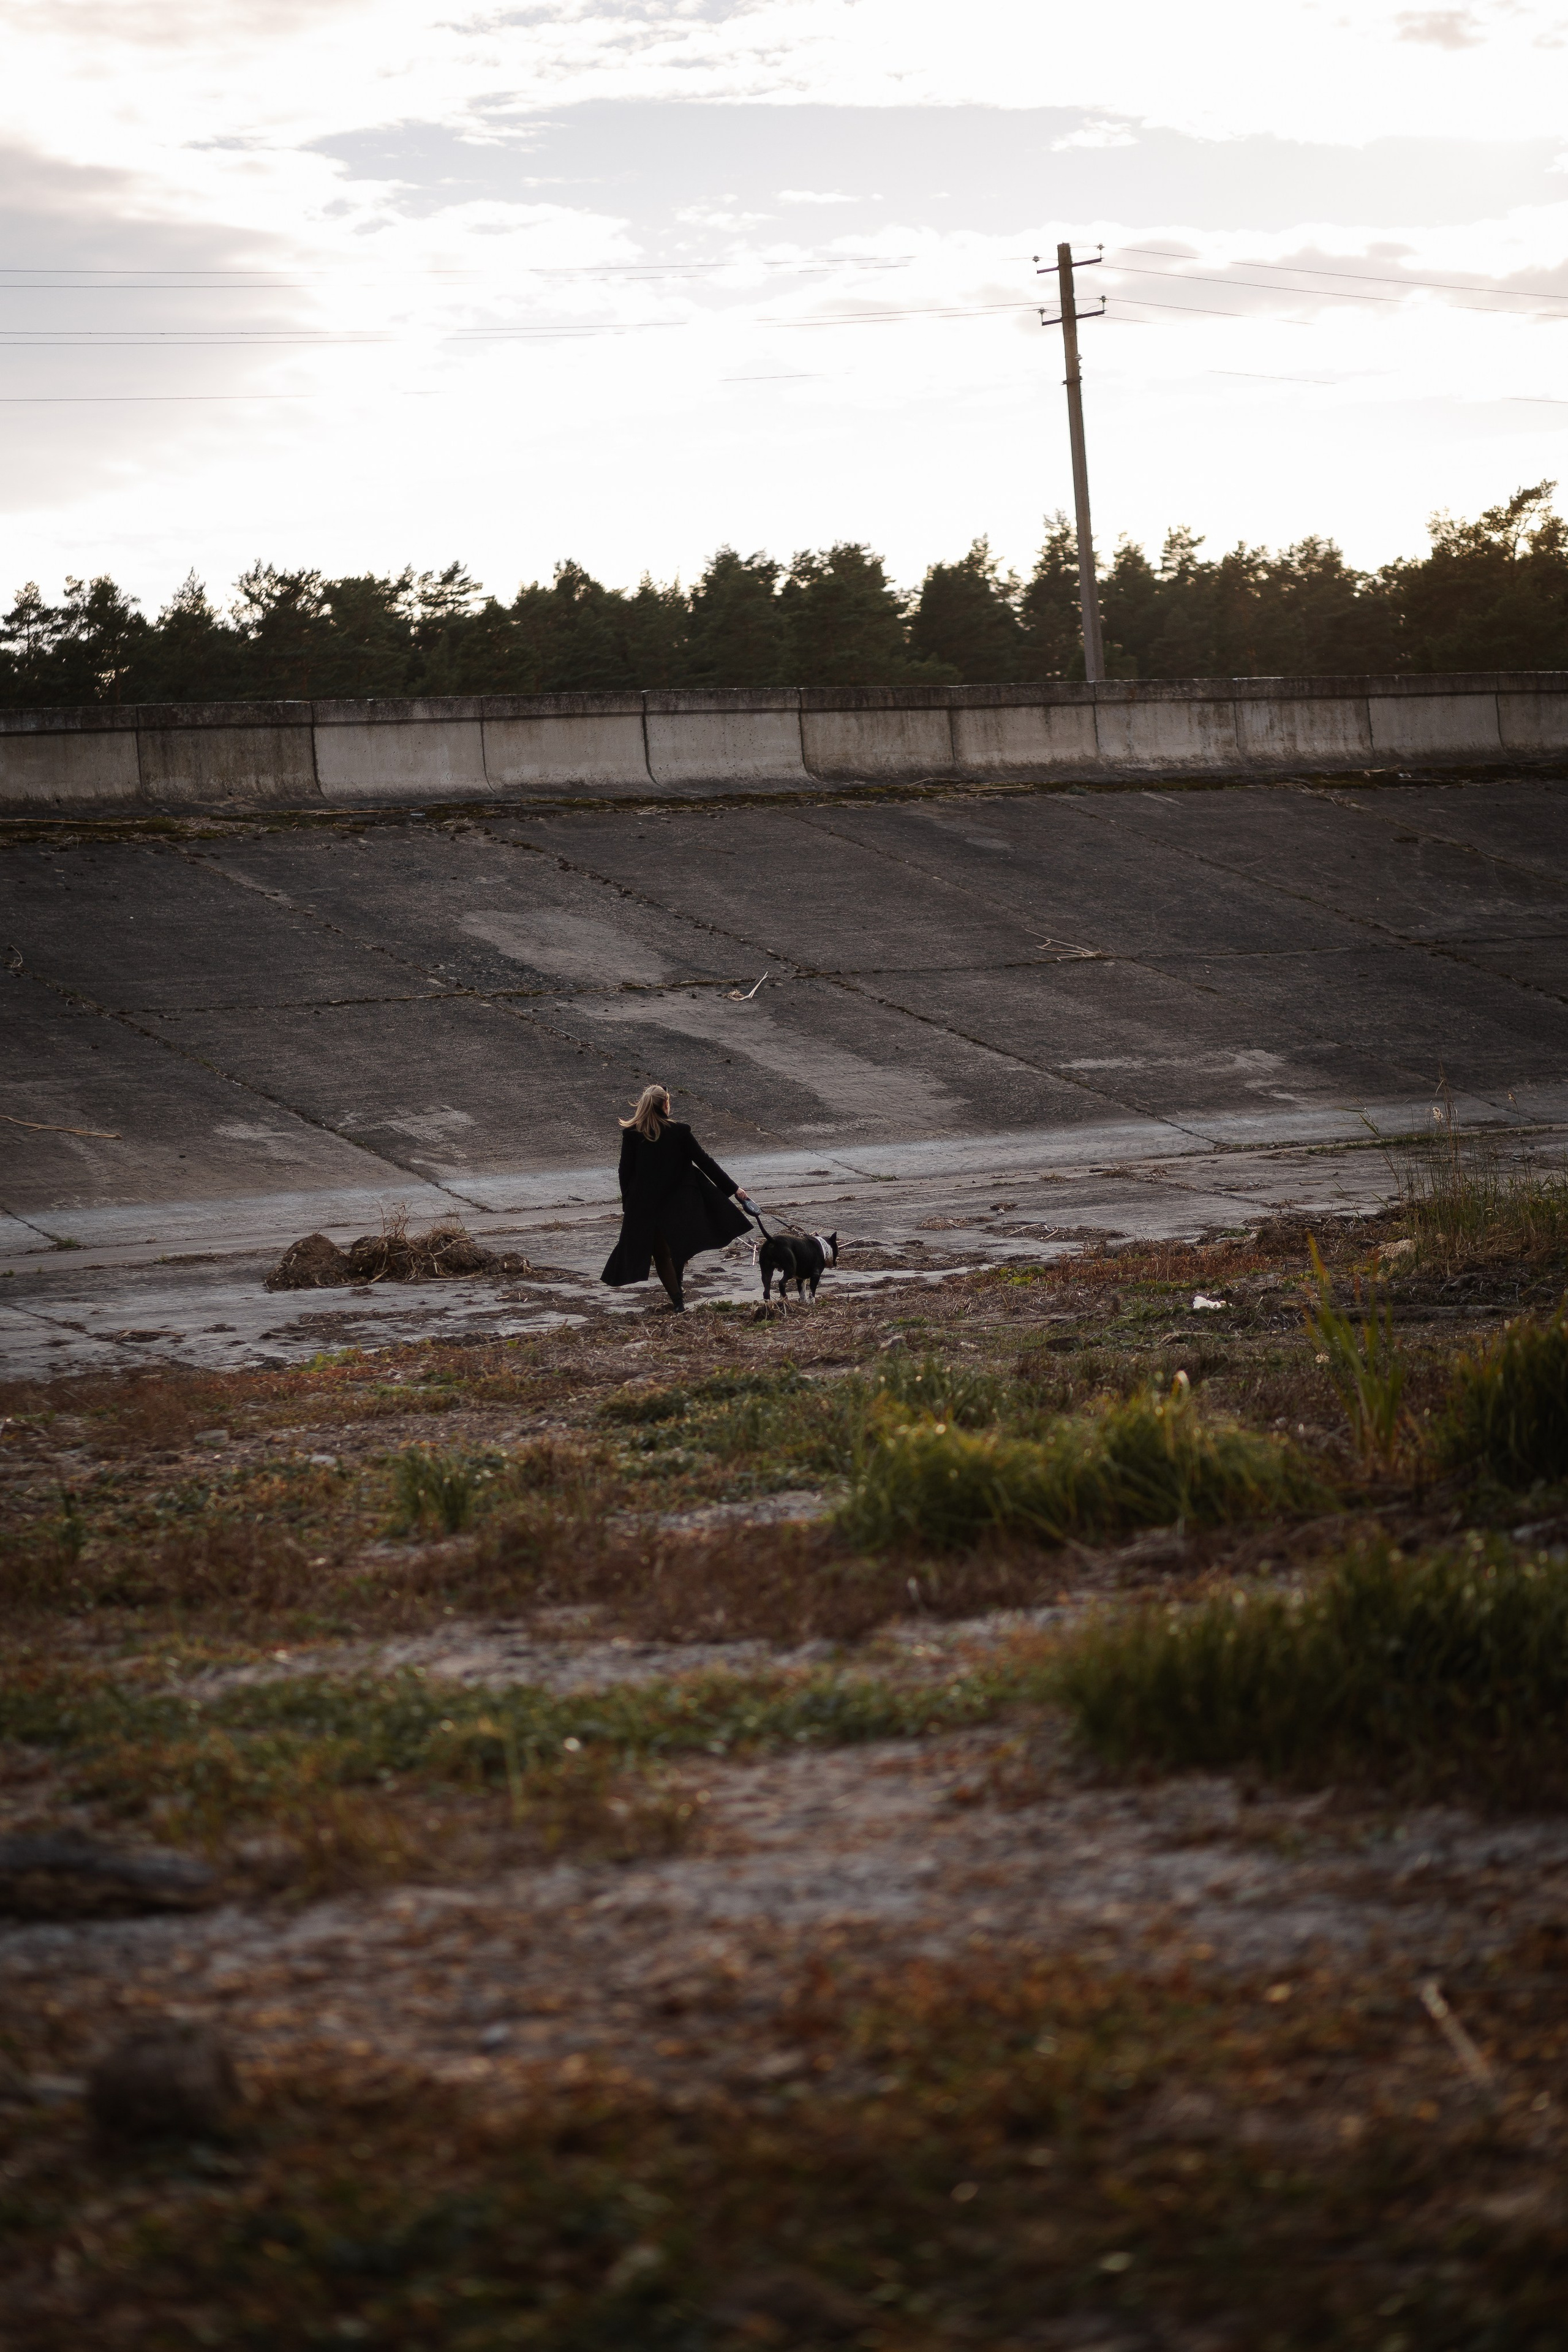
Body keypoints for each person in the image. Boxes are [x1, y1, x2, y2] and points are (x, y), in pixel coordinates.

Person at [600, 1084, 756, 1311]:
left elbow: (625, 1173)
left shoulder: (632, 1134)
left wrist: (629, 1206)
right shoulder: (679, 1132)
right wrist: (735, 1190)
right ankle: (679, 1299)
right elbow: (705, 1162)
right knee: (678, 1249)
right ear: (666, 1104)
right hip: (679, 1205)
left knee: (662, 1255)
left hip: (645, 1207)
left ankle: (678, 1303)